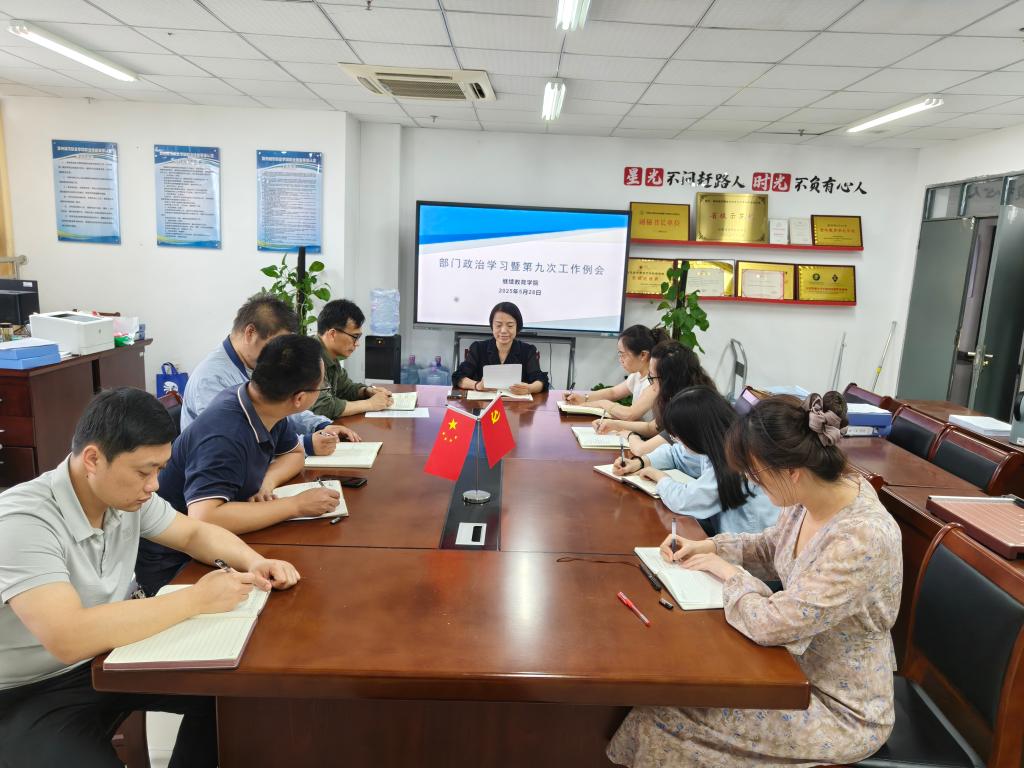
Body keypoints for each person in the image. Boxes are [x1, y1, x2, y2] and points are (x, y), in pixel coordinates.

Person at [0, 387, 301, 768]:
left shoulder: (123, 497)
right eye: (145, 472)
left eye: (159, 469)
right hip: (29, 690)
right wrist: (196, 599)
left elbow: (193, 534)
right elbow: (67, 637)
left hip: (110, 656)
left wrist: (253, 561)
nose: (154, 485)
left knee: (236, 698)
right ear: (93, 459)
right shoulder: (22, 521)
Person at [607, 392, 902, 767]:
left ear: (791, 471)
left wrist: (727, 572)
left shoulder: (862, 539)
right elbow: (771, 545)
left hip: (838, 706)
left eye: (756, 475)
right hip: (786, 672)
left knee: (665, 718)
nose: (751, 482)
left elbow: (772, 623)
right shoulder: (814, 492)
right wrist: (710, 547)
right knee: (668, 700)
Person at [135, 334, 341, 595]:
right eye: (321, 389)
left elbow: (294, 454)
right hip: (177, 565)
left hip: (225, 540)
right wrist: (295, 505)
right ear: (299, 398)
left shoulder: (264, 404)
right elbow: (205, 517)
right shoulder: (225, 433)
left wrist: (267, 480)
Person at [181, 293, 358, 455]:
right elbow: (235, 439)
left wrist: (321, 425)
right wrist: (305, 444)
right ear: (250, 333)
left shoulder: (255, 364)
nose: (281, 353)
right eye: (277, 344)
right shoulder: (211, 378)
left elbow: (283, 407)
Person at [612, 386, 778, 535]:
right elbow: (676, 454)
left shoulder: (735, 460)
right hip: (726, 534)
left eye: (677, 436)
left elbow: (684, 501)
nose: (677, 441)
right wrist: (641, 462)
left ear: (696, 435)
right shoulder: (720, 442)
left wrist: (660, 477)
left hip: (746, 545)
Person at [593, 340, 714, 457]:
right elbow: (651, 428)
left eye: (652, 377)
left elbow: (642, 450)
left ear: (669, 380)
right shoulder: (689, 394)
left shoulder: (687, 408)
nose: (650, 384)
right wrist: (615, 424)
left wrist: (629, 435)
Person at [310, 299, 394, 419]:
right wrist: (370, 404)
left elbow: (345, 389)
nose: (357, 344)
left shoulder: (330, 356)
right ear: (333, 334)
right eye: (354, 337)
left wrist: (367, 391)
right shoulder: (309, 357)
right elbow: (323, 408)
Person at [564, 325, 665, 420]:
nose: (620, 360)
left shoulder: (654, 382)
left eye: (623, 354)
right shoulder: (637, 375)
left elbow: (630, 414)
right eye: (619, 354)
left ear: (643, 355)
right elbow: (613, 392)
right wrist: (583, 398)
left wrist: (601, 403)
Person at [454, 302, 549, 394]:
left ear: (517, 327)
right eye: (498, 325)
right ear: (492, 326)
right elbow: (458, 377)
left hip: (517, 403)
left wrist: (529, 388)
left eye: (510, 326)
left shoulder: (527, 350)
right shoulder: (478, 348)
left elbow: (541, 380)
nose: (503, 330)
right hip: (484, 403)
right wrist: (477, 385)